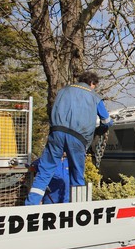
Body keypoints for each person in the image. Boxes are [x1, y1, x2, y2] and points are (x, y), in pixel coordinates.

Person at [25, 71, 113, 205]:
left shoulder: (63, 91)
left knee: (45, 171)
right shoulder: (94, 96)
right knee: (76, 174)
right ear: (92, 83)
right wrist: (99, 130)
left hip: (56, 133)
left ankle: (30, 206)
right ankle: (77, 210)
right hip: (78, 137)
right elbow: (107, 121)